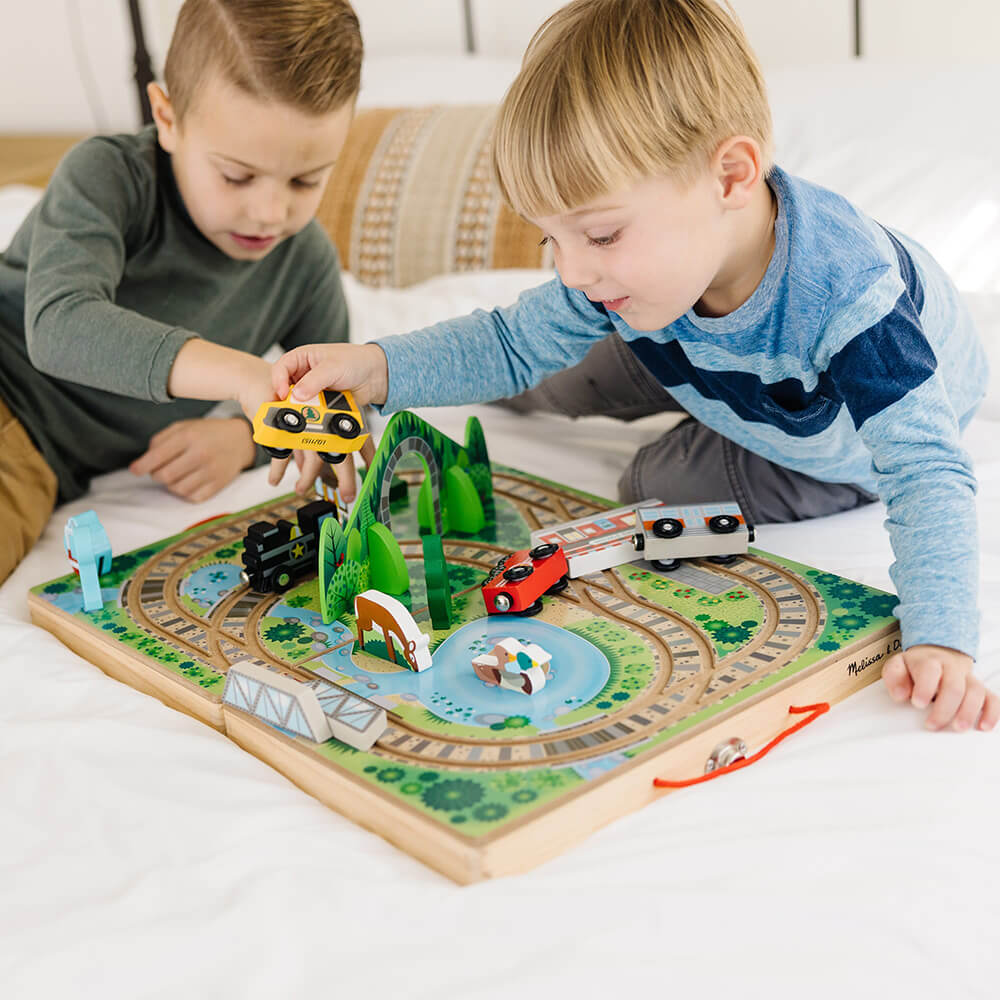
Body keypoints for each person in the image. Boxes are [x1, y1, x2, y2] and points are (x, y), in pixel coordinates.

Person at [258, 0, 997, 733]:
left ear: (732, 177)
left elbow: (927, 469)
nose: (573, 269)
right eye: (552, 240)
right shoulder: (636, 272)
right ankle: (624, 379)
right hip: (686, 345)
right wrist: (374, 365)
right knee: (547, 374)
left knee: (652, 489)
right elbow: (512, 342)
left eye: (602, 234)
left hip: (828, 444)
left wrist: (940, 635)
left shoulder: (849, 297)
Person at [0, 0, 366, 587]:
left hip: (45, 462)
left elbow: (330, 401)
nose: (271, 213)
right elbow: (59, 325)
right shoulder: (110, 178)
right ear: (167, 118)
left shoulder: (307, 263)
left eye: (305, 180)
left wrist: (242, 438)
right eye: (236, 176)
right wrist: (244, 376)